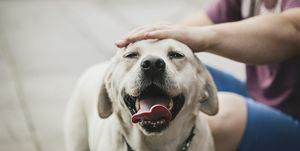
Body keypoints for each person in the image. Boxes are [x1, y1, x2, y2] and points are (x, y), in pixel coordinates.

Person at [115, 0, 300, 151]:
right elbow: (187, 29)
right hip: (259, 95)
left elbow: (293, 28)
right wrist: (138, 53)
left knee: (223, 116)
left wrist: (205, 37)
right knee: (185, 71)